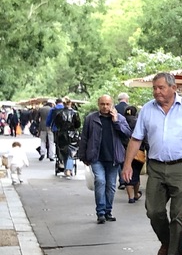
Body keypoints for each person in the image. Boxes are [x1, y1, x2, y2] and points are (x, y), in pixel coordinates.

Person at [121, 72, 182, 255]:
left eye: (161, 87)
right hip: (156, 168)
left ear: (173, 88)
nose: (157, 91)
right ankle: (167, 242)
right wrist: (126, 165)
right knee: (154, 211)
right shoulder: (147, 110)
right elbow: (136, 139)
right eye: (154, 88)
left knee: (178, 215)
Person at [77, 95, 130, 224]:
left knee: (111, 185)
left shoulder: (119, 118)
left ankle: (108, 211)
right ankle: (100, 212)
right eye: (102, 104)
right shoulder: (91, 118)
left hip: (113, 158)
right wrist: (82, 155)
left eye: (107, 104)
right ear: (98, 104)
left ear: (112, 104)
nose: (105, 107)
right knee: (100, 181)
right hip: (96, 157)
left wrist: (116, 121)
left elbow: (127, 134)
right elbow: (85, 137)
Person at [48, 98, 81, 177]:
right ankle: (68, 169)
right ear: (70, 103)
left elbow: (57, 123)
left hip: (61, 135)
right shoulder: (75, 113)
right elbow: (78, 124)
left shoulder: (59, 113)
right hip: (72, 134)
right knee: (70, 152)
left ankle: (65, 166)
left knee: (64, 152)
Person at [123, 105, 145, 203]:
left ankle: (130, 196)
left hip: (123, 151)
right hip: (138, 152)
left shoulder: (121, 121)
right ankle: (135, 194)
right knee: (135, 173)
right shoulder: (138, 122)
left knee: (127, 172)